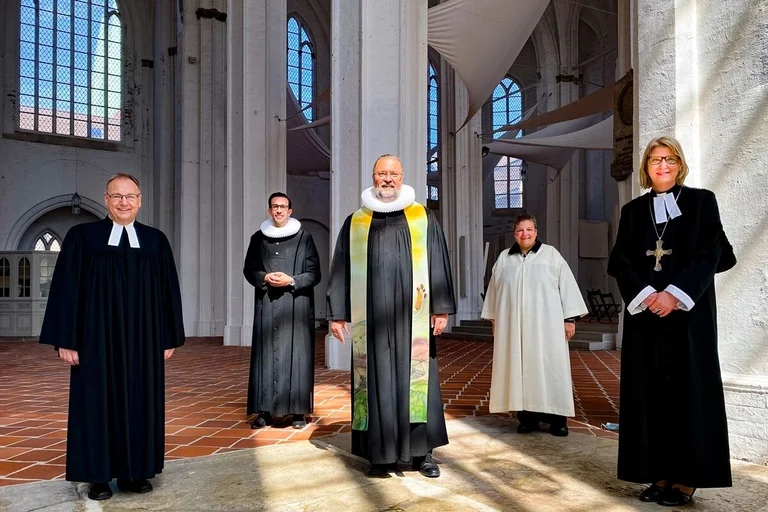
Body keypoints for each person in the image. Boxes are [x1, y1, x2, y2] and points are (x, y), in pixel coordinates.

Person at [607, 136, 736, 507]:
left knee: (687, 392)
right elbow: (621, 262)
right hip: (646, 317)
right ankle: (657, 473)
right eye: (654, 160)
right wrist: (648, 295)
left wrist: (673, 295)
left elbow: (711, 253)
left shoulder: (700, 202)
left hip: (687, 317)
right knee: (649, 395)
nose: (662, 166)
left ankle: (685, 479)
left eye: (669, 159)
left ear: (679, 164)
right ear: (645, 168)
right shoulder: (633, 211)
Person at [39, 173, 185, 501]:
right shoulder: (82, 237)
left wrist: (168, 336)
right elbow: (65, 289)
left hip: (144, 341)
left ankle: (135, 472)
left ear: (140, 200)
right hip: (95, 340)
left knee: (140, 401)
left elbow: (168, 292)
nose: (123, 202)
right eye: (116, 196)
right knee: (97, 404)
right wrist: (66, 339)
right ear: (105, 199)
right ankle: (98, 476)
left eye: (130, 196)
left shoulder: (155, 241)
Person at [327, 154, 456, 478]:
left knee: (419, 383)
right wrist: (337, 314)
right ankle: (380, 455)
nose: (387, 179)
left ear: (402, 177)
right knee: (375, 383)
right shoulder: (357, 222)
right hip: (371, 324)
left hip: (414, 318)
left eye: (393, 174)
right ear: (373, 177)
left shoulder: (421, 217)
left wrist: (440, 308)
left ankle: (421, 454)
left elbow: (438, 260)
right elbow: (341, 268)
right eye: (381, 173)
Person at [481, 214, 587, 437]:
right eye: (520, 230)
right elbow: (494, 291)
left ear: (536, 232)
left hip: (546, 328)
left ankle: (558, 420)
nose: (525, 234)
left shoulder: (551, 256)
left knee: (551, 369)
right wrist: (494, 320)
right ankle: (527, 419)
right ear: (514, 234)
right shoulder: (504, 259)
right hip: (514, 328)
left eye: (529, 230)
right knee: (520, 371)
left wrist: (569, 319)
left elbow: (566, 286)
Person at [243, 192, 321, 429]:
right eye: (274, 207)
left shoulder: (304, 238)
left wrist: (291, 280)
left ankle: (298, 412)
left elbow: (314, 273)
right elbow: (249, 269)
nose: (278, 210)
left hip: (295, 305)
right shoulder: (258, 238)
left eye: (283, 207)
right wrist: (264, 276)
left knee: (297, 357)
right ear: (269, 211)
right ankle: (265, 411)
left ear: (290, 211)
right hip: (267, 305)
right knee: (266, 357)